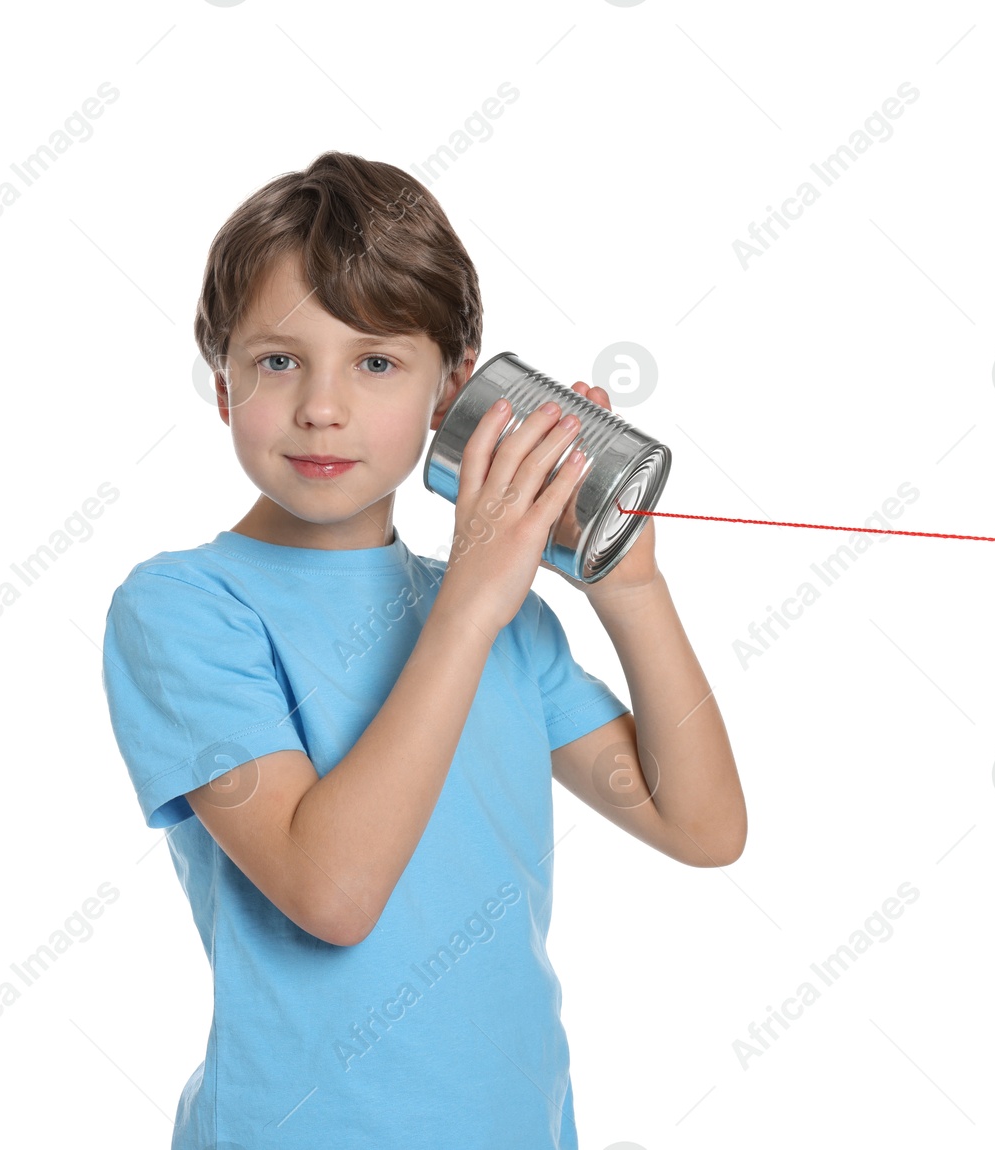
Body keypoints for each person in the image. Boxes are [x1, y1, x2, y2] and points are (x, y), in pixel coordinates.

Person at [101, 150, 746, 1149]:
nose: (323, 405)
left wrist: (626, 585)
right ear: (222, 385)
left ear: (450, 392)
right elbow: (333, 893)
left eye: (375, 362)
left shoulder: (500, 619)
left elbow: (702, 826)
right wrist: (474, 599)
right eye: (278, 360)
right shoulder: (184, 608)